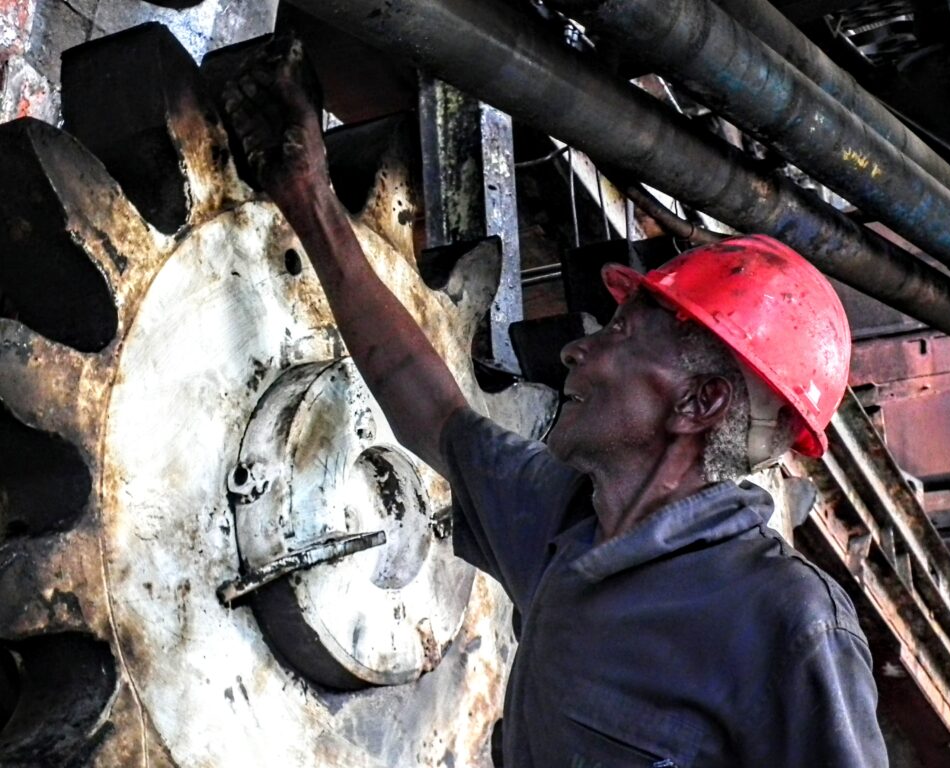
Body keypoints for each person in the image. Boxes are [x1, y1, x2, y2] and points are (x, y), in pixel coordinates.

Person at [223, 36, 888, 768]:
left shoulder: (785, 626)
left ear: (698, 403)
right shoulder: (566, 522)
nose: (578, 350)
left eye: (622, 333)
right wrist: (308, 196)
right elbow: (431, 406)